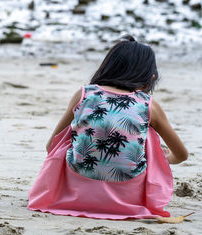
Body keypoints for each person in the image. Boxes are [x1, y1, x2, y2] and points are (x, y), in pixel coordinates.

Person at [28, 35, 188, 219]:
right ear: (150, 79)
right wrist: (164, 157)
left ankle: (64, 193)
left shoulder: (84, 95)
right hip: (129, 199)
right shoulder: (148, 105)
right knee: (147, 132)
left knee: (69, 134)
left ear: (106, 68)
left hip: (76, 195)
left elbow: (51, 146)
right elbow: (182, 154)